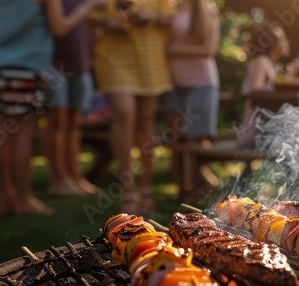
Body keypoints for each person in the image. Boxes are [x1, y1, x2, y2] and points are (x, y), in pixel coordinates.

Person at [0, 0, 106, 216]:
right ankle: (23, 199)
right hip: (29, 68)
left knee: (2, 135)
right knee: (23, 138)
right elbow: (59, 27)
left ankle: (4, 198)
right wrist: (86, 9)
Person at [92, 0, 175, 213]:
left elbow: (171, 19)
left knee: (146, 121)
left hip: (149, 58)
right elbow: (86, 14)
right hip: (114, 56)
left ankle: (146, 187)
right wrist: (108, 22)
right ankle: (128, 189)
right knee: (124, 113)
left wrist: (153, 18)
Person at [43, 0, 103, 197]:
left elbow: (94, 34)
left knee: (73, 123)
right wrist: (85, 9)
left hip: (81, 65)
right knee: (57, 122)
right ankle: (58, 179)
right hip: (54, 64)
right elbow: (58, 28)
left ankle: (75, 177)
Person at [164, 0, 220, 203]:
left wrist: (172, 51)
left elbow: (208, 50)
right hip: (172, 83)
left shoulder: (208, 10)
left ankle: (195, 190)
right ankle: (183, 189)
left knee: (193, 141)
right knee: (175, 140)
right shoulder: (172, 8)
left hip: (201, 82)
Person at [237, 24, 299, 148]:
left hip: (267, 127)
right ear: (271, 43)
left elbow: (272, 87)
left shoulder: (268, 64)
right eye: (282, 38)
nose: (286, 41)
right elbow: (254, 92)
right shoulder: (262, 61)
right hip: (258, 131)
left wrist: (289, 77)